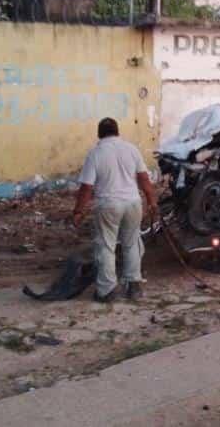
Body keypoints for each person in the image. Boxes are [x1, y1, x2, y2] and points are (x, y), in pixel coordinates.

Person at [73, 118, 158, 303]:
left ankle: (107, 290)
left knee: (106, 246)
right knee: (132, 243)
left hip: (108, 204)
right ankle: (133, 286)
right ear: (117, 132)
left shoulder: (95, 153)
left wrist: (78, 211)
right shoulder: (131, 149)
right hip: (133, 203)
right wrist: (152, 202)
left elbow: (86, 187)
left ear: (99, 134)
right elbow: (144, 179)